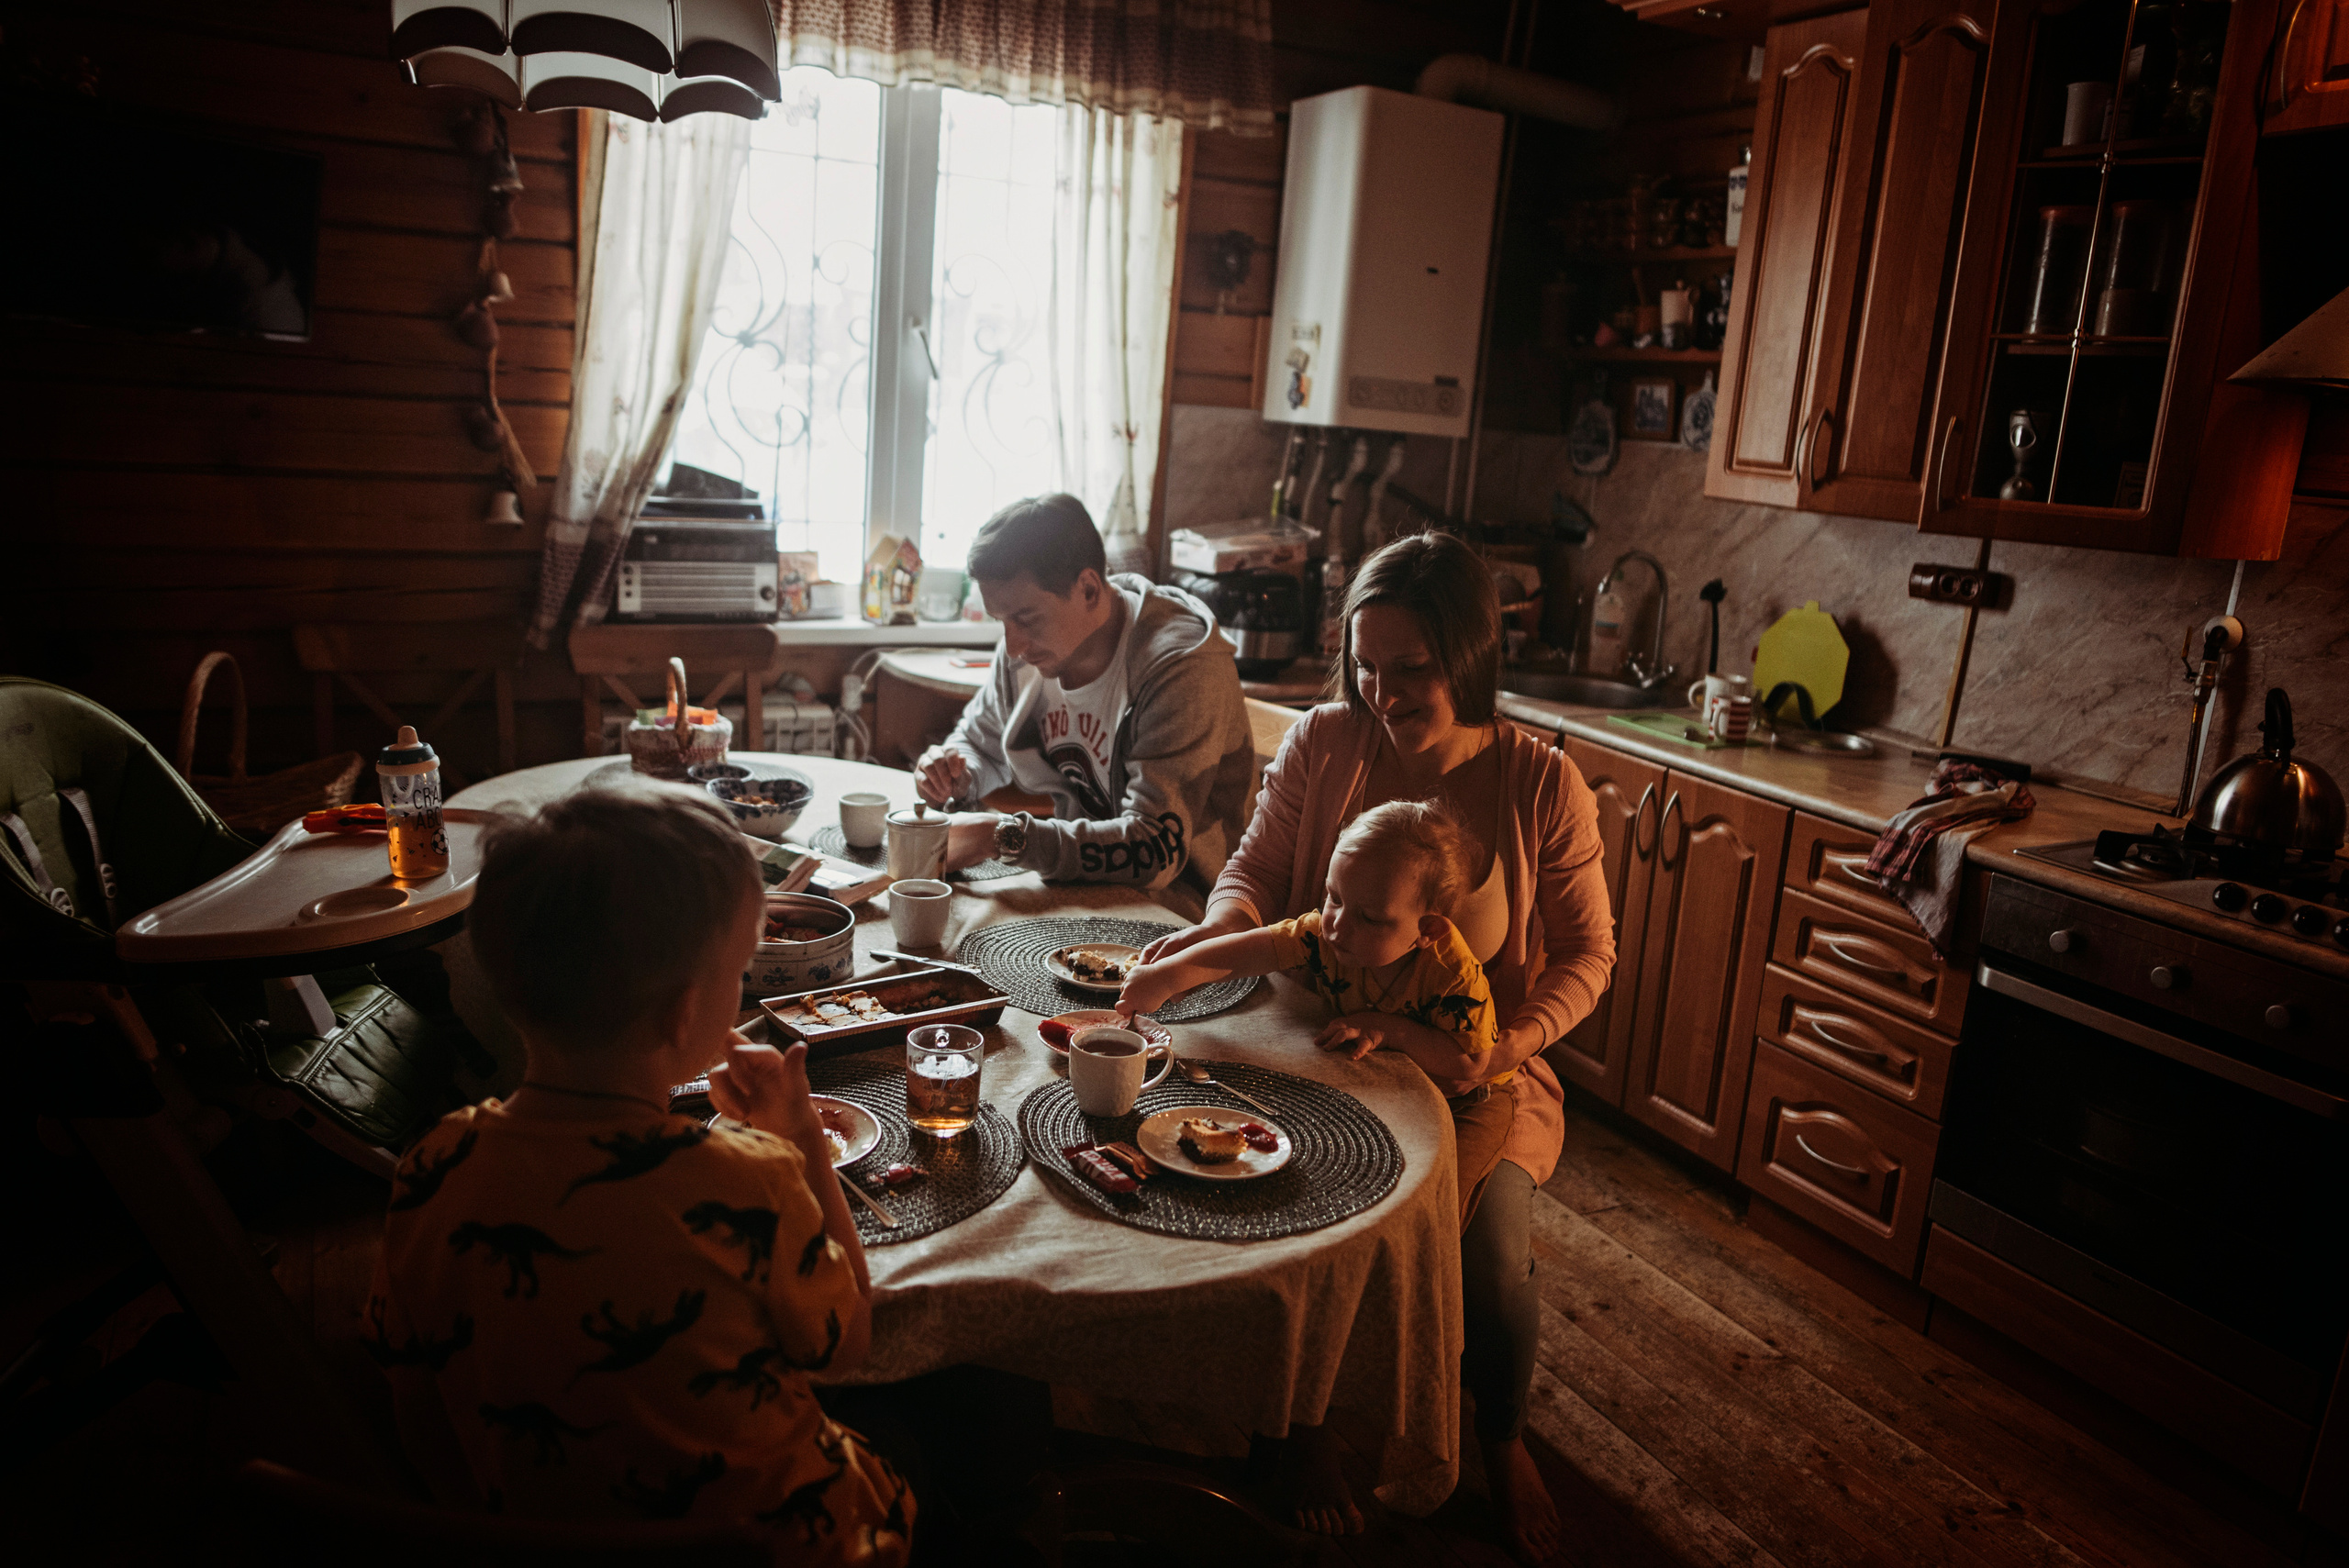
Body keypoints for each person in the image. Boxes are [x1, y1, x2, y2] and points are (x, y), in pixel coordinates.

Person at [1136, 531, 1615, 1562]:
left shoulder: (1541, 784)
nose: (1382, 691)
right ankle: (1297, 1424)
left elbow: (1588, 954)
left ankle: (1500, 1435)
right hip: (1314, 1041)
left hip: (1476, 1076)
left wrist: (1513, 1042)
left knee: (1484, 1257)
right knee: (1275, 1200)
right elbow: (1255, 875)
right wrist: (1217, 933)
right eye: (1364, 662)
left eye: (1413, 669)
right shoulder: (1323, 741)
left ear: (1472, 657)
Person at [367, 785, 914, 1563]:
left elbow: (414, 1401)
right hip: (787, 1544)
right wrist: (799, 1140)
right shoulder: (750, 1177)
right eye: (739, 968)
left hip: (528, 1531)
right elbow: (848, 1340)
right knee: (973, 1417)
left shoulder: (432, 1167)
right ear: (687, 1013)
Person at [1117, 799, 1517, 1177]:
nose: (1339, 924)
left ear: (1427, 931)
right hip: (1381, 1088)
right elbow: (1246, 953)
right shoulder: (1323, 934)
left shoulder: (1454, 975)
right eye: (1334, 898)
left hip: (1469, 1101)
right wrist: (1168, 976)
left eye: (1371, 918)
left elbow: (1470, 1065)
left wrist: (1386, 1028)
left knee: (1443, 1189)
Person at [913, 494, 1252, 903]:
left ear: (1089, 590)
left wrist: (1003, 836)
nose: (1013, 646)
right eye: (1001, 621)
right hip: (1078, 891)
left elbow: (1154, 850)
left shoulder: (1183, 667)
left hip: (1180, 914)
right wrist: (953, 772)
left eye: (1025, 618)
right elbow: (977, 744)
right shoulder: (1029, 653)